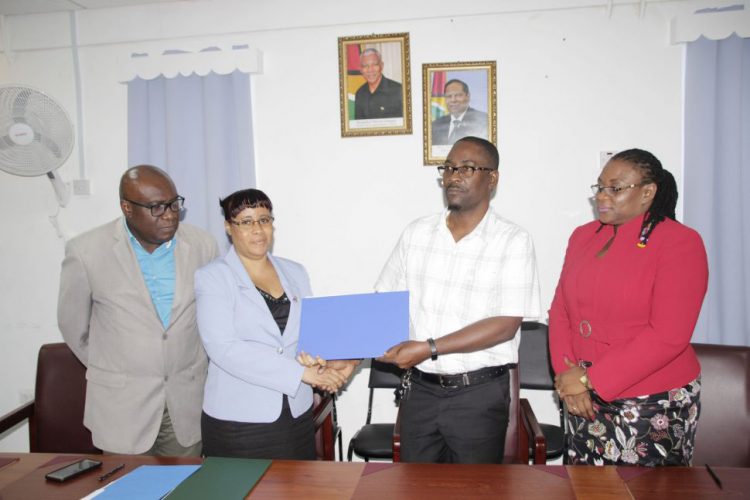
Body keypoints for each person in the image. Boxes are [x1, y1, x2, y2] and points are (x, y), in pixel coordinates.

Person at [375, 137, 541, 464]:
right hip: (419, 392)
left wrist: (429, 347)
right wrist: (343, 354)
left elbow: (505, 326)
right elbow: (384, 303)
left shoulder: (513, 241)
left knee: (474, 490)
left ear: (492, 178)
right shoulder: (416, 233)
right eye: (448, 168)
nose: (453, 176)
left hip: (477, 396)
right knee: (416, 489)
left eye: (466, 168)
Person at [549, 148, 709, 466]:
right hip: (582, 398)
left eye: (616, 188)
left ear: (648, 192)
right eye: (600, 187)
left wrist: (588, 379)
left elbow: (668, 335)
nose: (603, 196)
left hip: (652, 399)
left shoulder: (679, 243)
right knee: (586, 489)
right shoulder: (582, 237)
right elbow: (561, 312)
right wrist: (570, 377)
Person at [58, 165, 219, 455]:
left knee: (185, 491)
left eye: (173, 203)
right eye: (156, 207)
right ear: (127, 208)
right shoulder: (86, 251)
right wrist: (118, 368)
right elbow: (73, 326)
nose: (169, 214)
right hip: (122, 407)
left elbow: (213, 319)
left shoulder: (202, 246)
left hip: (185, 403)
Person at [195, 188, 358, 459]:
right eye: (246, 222)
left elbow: (311, 335)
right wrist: (301, 374)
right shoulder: (212, 278)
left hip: (296, 414)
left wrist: (330, 364)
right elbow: (224, 349)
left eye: (264, 219)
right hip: (239, 422)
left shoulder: (295, 271)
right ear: (228, 227)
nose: (257, 229)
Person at [431, 79, 488, 146]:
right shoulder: (435, 125)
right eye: (449, 96)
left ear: (468, 96)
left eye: (458, 95)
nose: (453, 100)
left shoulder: (484, 120)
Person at [354, 48, 403, 120]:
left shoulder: (399, 90)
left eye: (374, 64)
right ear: (361, 69)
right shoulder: (360, 93)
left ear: (381, 66)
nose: (370, 70)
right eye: (365, 66)